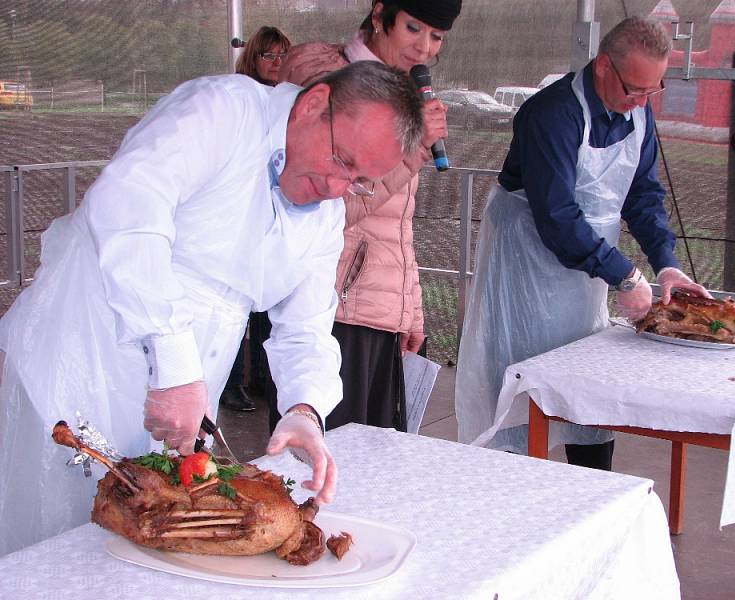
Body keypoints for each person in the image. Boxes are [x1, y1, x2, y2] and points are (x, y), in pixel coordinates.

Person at [0, 60, 424, 556]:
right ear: (313, 105)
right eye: (341, 160)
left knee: (142, 539)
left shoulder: (325, 213)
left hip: (188, 387)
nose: (337, 188)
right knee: (45, 539)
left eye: (358, 180)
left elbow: (305, 325)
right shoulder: (223, 112)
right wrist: (174, 360)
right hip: (83, 351)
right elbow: (128, 209)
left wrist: (305, 409)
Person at [455, 16, 710, 470]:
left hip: (587, 268)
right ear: (603, 67)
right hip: (527, 267)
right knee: (524, 378)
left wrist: (665, 263)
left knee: (587, 382)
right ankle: (513, 483)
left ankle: (593, 489)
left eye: (653, 90)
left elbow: (643, 195)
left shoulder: (638, 109)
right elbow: (556, 216)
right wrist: (625, 274)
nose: (642, 101)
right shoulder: (551, 114)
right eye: (635, 89)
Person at [278, 0, 460, 432]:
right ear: (379, 16)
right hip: (331, 306)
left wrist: (409, 310)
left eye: (436, 37)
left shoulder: (405, 95)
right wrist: (415, 151)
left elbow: (399, 222)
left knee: (377, 463)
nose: (424, 48)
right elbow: (322, 207)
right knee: (325, 463)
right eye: (413, 28)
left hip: (379, 311)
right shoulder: (327, 80)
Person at [221, 25, 293, 412]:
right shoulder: (239, 98)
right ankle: (229, 384)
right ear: (253, 58)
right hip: (240, 215)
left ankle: (264, 378)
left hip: (274, 213)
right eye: (269, 55)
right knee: (237, 305)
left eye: (284, 55)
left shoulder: (288, 100)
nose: (277, 63)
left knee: (268, 305)